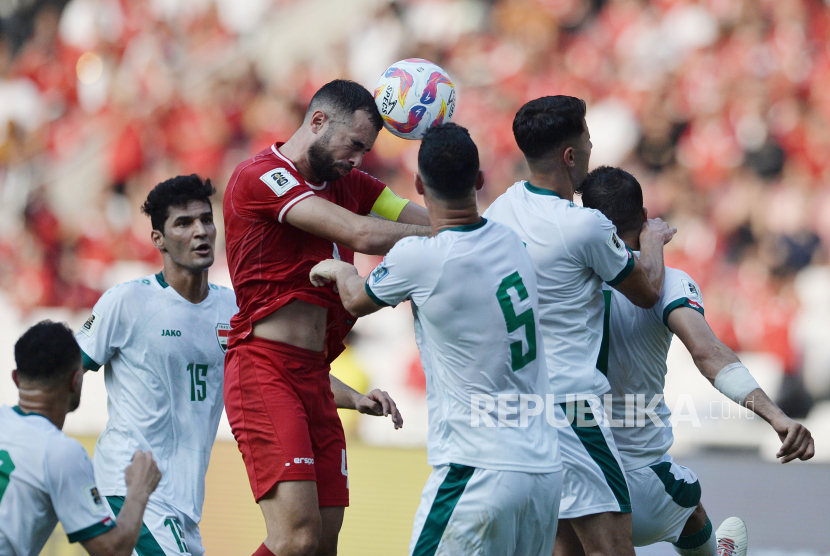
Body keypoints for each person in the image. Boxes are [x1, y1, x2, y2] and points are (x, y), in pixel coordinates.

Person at [309, 122, 562, 556]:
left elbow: (354, 300)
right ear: (479, 180)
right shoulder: (511, 240)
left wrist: (337, 269)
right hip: (543, 470)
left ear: (419, 185)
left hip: (476, 467)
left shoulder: (421, 257)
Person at [223, 79, 430, 556]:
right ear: (317, 122)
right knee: (295, 539)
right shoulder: (261, 175)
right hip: (263, 368)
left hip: (315, 376)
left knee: (322, 546)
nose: (357, 159)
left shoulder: (350, 182)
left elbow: (418, 219)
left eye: (366, 150)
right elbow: (360, 233)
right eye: (354, 145)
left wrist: (467, 221)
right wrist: (446, 234)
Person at [579, 165, 815, 556]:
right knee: (686, 498)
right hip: (643, 486)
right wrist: (777, 416)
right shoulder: (669, 282)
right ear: (642, 217)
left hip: (570, 480)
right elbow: (708, 353)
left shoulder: (562, 279)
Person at [483, 95, 675, 556]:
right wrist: (652, 241)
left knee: (559, 547)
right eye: (587, 139)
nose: (592, 147)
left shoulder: (498, 213)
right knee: (611, 547)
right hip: (571, 409)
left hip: (513, 411)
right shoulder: (584, 226)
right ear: (571, 156)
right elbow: (647, 290)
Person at [75, 175, 238, 555]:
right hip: (129, 488)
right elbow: (64, 372)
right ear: (158, 240)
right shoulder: (127, 302)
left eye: (206, 219)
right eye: (183, 223)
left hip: (184, 502)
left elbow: (285, 373)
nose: (200, 231)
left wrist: (356, 398)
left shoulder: (235, 309)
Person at [0, 320, 161, 556]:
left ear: (16, 378)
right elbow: (111, 550)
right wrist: (139, 490)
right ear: (75, 381)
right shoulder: (60, 452)